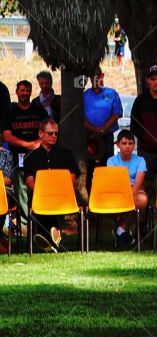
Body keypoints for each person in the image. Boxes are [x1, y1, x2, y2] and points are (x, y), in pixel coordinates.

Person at [24, 119, 79, 251]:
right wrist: (41, 194)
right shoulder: (31, 156)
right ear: (40, 134)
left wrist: (59, 193)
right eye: (50, 133)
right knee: (41, 204)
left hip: (62, 197)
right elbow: (29, 180)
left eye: (56, 133)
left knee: (50, 205)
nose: (54, 136)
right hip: (41, 197)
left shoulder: (66, 154)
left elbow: (72, 177)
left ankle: (47, 239)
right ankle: (52, 236)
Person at [4, 79, 51, 211]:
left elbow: (49, 130)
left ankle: (41, 215)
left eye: (28, 91)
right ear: (17, 92)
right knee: (21, 188)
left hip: (38, 154)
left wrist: (38, 142)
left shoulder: (39, 111)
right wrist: (26, 144)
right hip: (18, 156)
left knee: (39, 185)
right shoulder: (10, 112)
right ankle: (25, 222)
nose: (25, 93)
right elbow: (7, 135)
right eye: (22, 90)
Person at [106, 130, 148, 248]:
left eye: (130, 143)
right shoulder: (111, 161)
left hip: (135, 190)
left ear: (134, 145)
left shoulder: (140, 160)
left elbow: (139, 182)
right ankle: (123, 233)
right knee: (108, 203)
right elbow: (114, 181)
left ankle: (120, 229)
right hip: (117, 191)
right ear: (118, 145)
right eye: (124, 143)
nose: (127, 146)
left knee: (142, 200)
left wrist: (129, 194)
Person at [83, 68, 123, 176]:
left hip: (106, 136)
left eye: (98, 76)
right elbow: (80, 117)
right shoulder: (84, 95)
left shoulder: (111, 93)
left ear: (102, 76)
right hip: (89, 137)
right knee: (89, 169)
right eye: (93, 76)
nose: (96, 79)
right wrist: (93, 130)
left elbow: (116, 114)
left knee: (107, 168)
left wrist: (102, 129)